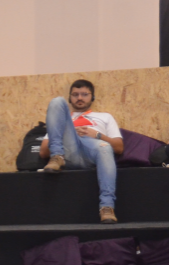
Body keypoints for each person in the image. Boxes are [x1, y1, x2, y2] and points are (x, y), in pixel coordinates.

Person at [40, 80, 124, 223]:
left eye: (84, 94)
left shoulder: (105, 117)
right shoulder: (62, 119)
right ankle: (57, 156)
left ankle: (107, 207)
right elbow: (43, 152)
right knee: (56, 101)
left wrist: (97, 135)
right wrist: (68, 133)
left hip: (94, 150)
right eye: (75, 94)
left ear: (92, 97)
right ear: (70, 98)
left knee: (104, 146)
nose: (79, 98)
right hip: (69, 151)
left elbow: (119, 148)